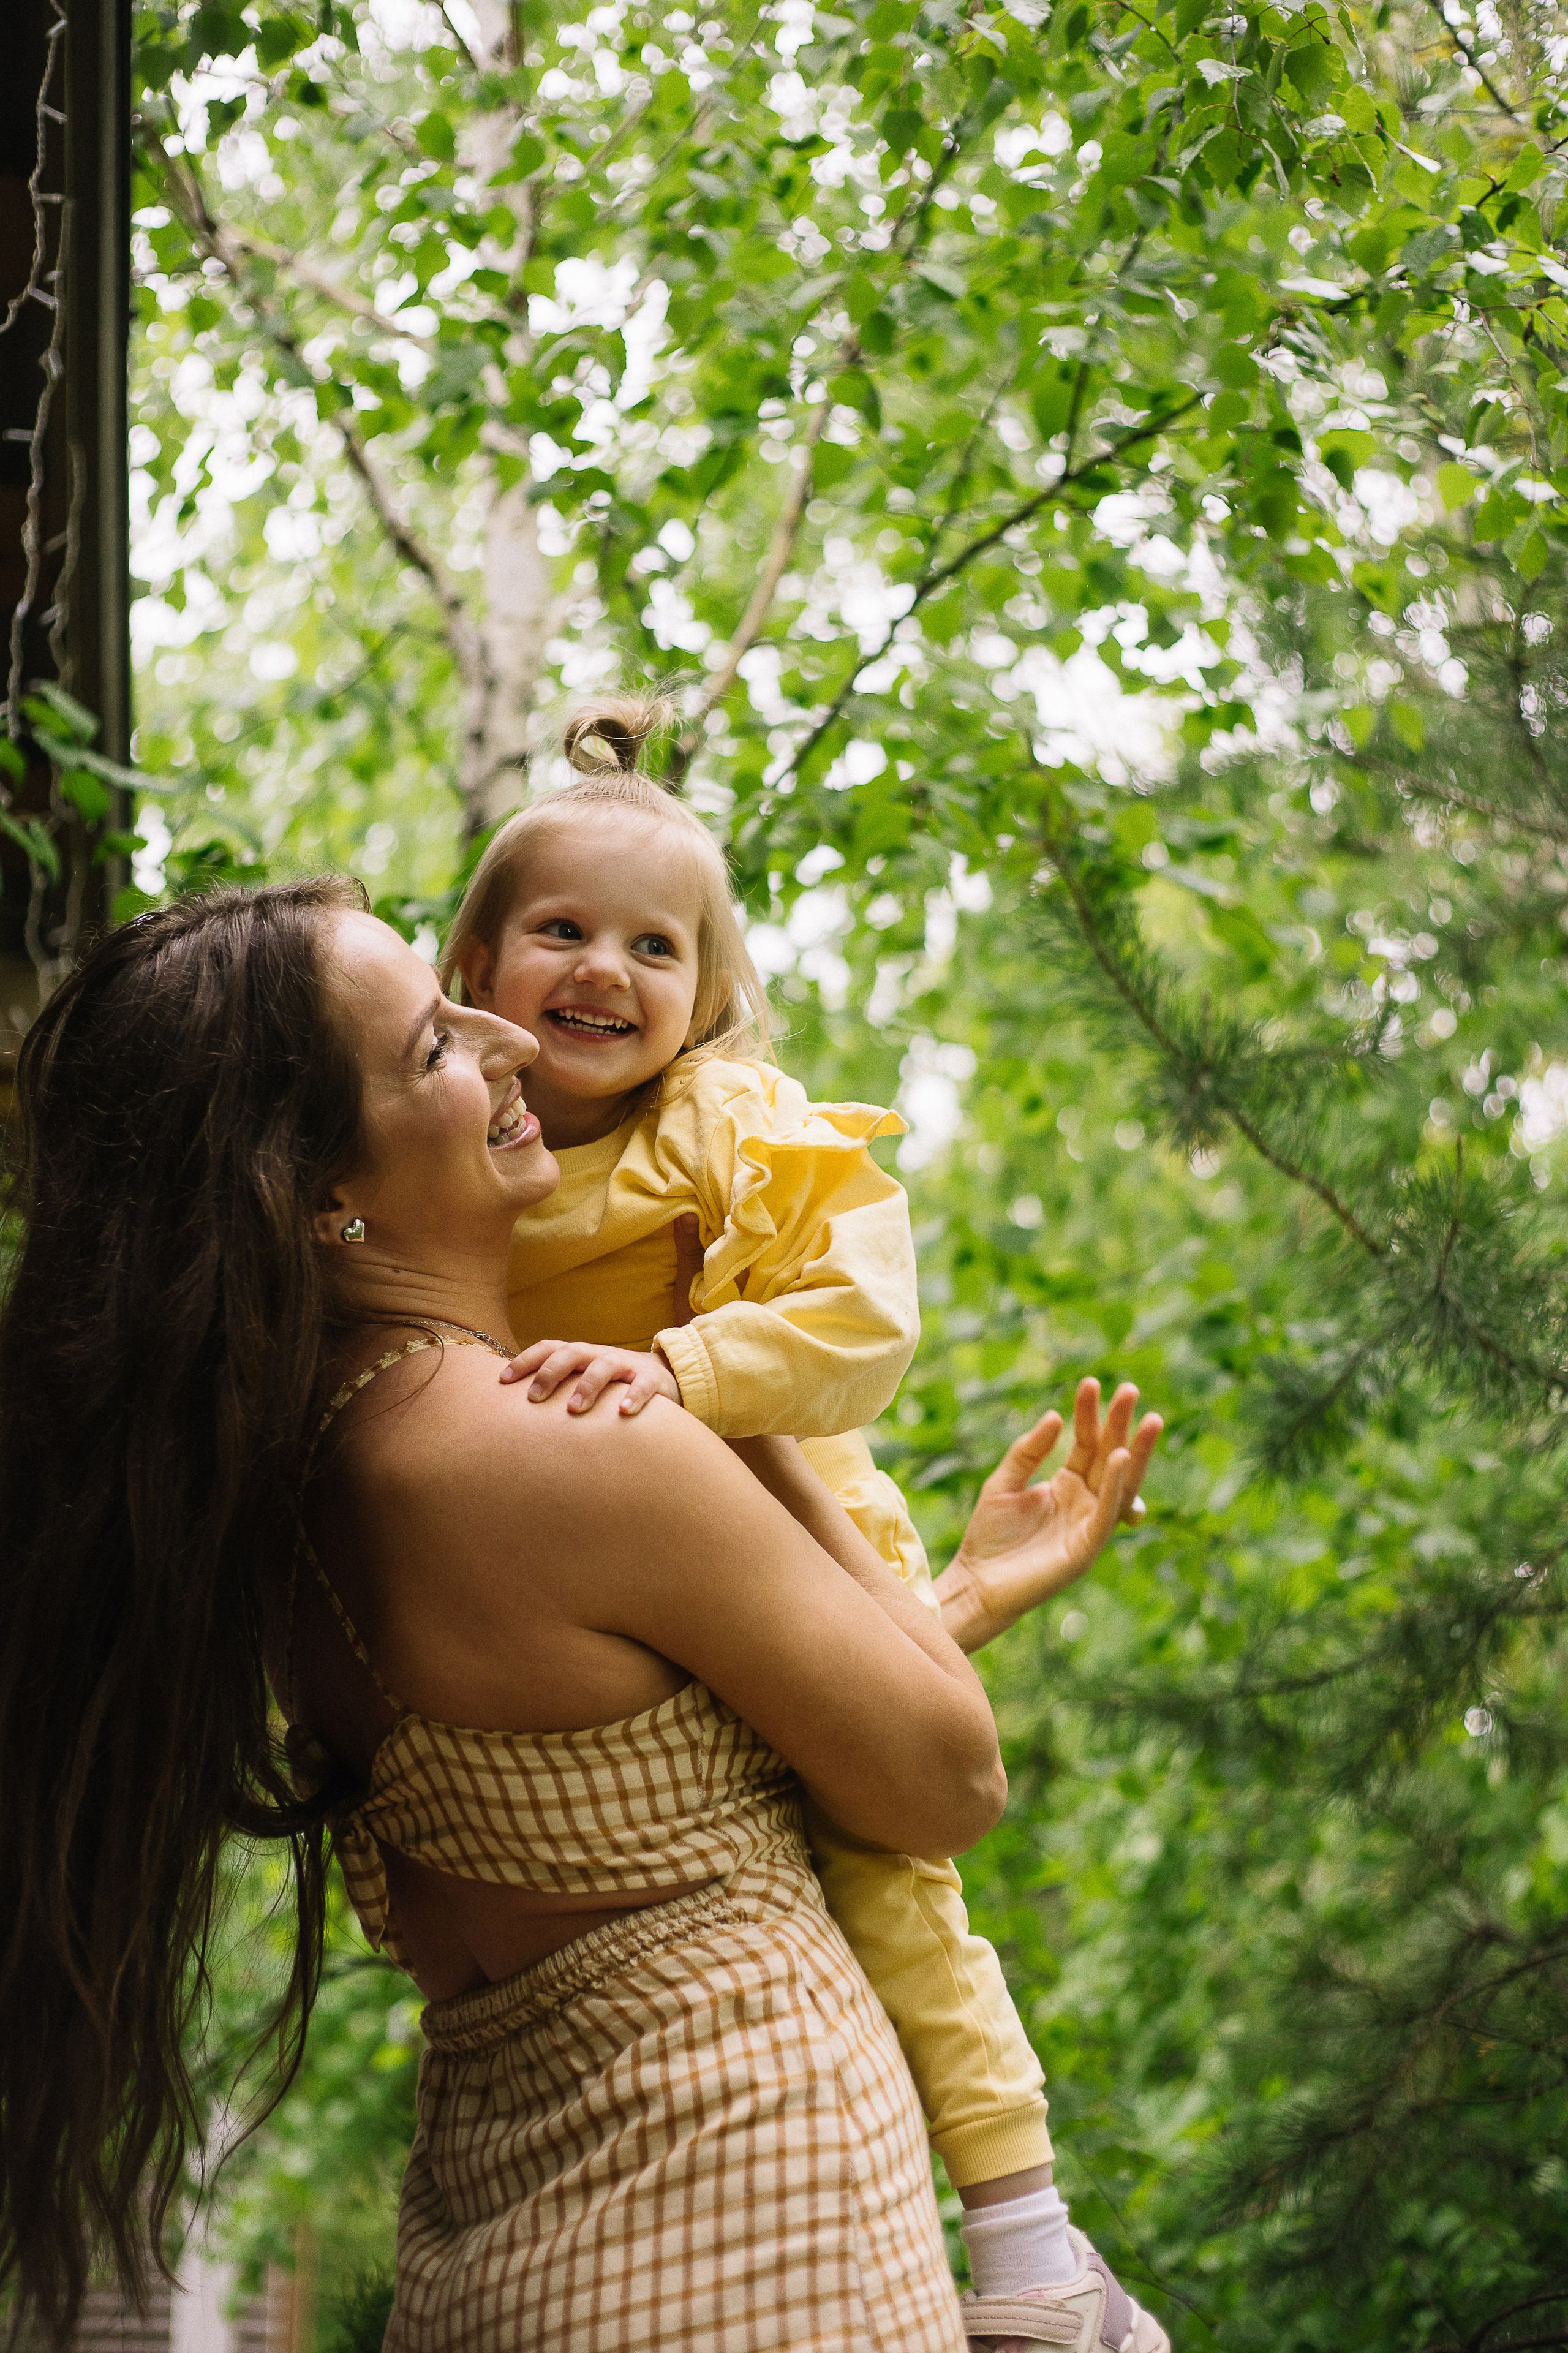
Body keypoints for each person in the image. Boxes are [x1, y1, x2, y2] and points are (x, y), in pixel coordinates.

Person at [0, 878, 1152, 2353]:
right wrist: (744, 1396)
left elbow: (654, 1760)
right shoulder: (567, 1446)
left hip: (504, 2253)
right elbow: (944, 1775)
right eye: (429, 1046)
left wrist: (967, 1591)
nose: (504, 1043)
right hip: (758, 2225)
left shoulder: (284, 1499)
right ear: (319, 1194)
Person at [442, 695, 1166, 2353]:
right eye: (562, 928)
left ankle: (1031, 2242)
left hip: (794, 1512)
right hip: (631, 1597)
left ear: (707, 997)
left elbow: (862, 1322)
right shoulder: (460, 1151)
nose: (604, 970)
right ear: (475, 960)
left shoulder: (719, 1125)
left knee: (886, 1871)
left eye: (655, 945)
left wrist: (684, 1366)